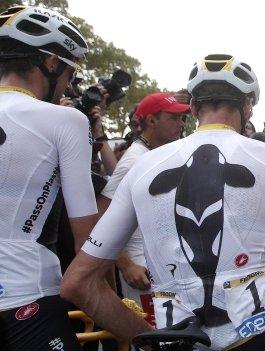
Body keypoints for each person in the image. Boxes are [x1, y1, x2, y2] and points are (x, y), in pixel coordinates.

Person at [61, 54, 265, 351]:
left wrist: (146, 338)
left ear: (192, 107)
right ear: (248, 106)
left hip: (177, 338)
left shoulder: (143, 165)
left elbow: (77, 282)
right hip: (262, 330)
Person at [0, 6, 97, 350]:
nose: (68, 84)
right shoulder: (67, 120)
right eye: (68, 72)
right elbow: (88, 240)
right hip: (26, 300)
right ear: (50, 63)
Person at [97, 92, 189, 321]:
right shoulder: (134, 160)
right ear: (151, 121)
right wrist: (126, 265)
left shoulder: (155, 154)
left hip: (164, 269)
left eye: (181, 118)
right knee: (154, 339)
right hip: (142, 272)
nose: (181, 124)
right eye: (173, 118)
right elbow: (100, 215)